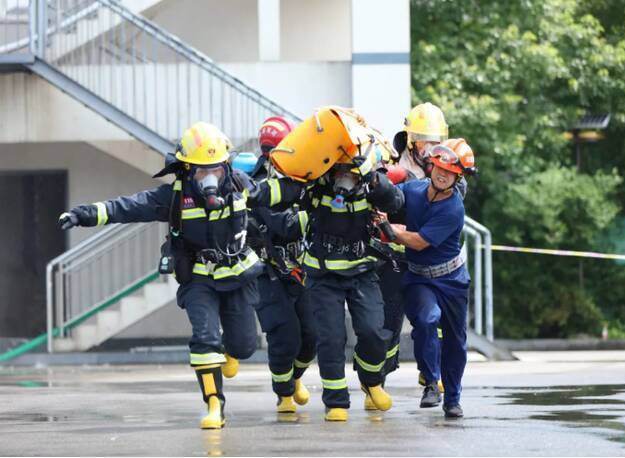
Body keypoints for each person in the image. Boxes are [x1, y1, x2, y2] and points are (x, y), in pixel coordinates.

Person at [58, 122, 262, 429]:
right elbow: (127, 207)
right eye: (201, 171)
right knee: (205, 338)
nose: (209, 178)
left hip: (237, 275)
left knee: (245, 346)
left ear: (226, 166)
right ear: (187, 169)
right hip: (198, 277)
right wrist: (83, 214)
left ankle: (232, 350)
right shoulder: (174, 197)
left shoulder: (242, 185)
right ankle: (214, 405)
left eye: (216, 170)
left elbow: (276, 200)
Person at [249, 107, 404, 421]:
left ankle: (372, 381)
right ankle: (336, 401)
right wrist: (249, 193)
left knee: (374, 332)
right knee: (331, 339)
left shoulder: (372, 182)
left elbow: (396, 203)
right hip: (323, 275)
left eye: (350, 167)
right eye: (340, 167)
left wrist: (373, 179)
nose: (344, 175)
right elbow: (281, 191)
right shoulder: (315, 183)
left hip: (362, 271)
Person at [388, 138, 476, 418]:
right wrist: (377, 181)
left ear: (457, 177)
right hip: (419, 279)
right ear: (431, 166)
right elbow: (390, 196)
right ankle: (430, 383)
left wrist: (388, 230)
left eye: (449, 172)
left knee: (456, 341)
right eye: (439, 166)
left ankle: (453, 398)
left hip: (452, 280)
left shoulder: (453, 209)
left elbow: (418, 242)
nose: (442, 173)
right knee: (427, 319)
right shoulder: (413, 190)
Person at [246, 116, 317, 413]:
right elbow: (284, 226)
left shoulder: (304, 175)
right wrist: (318, 214)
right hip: (268, 271)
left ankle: (296, 376)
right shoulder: (258, 185)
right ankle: (284, 392)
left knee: (312, 334)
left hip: (300, 268)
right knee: (283, 333)